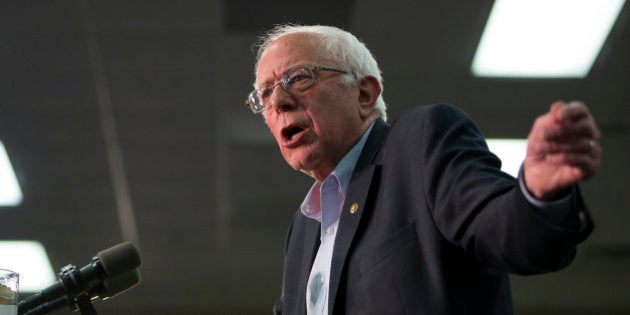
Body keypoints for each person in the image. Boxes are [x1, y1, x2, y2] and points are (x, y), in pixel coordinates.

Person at [245, 24, 601, 315]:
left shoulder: (419, 144)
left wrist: (537, 195)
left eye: (299, 78)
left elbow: (509, 231)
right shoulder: (304, 227)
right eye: (264, 95)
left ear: (364, 94)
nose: (277, 101)